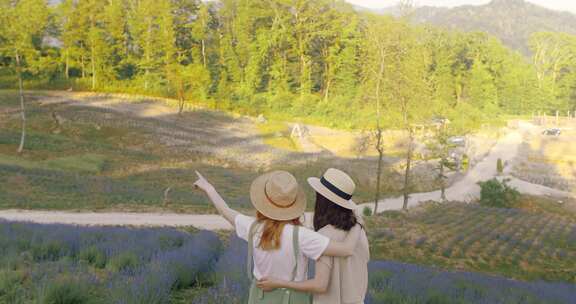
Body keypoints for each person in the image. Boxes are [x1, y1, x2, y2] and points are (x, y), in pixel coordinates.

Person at [193, 170, 363, 303]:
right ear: (294, 205)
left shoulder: (253, 227)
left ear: (264, 202)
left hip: (259, 296)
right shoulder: (303, 236)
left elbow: (226, 212)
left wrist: (209, 188)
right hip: (293, 299)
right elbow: (346, 249)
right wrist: (358, 223)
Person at [257, 168, 369, 304]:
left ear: (322, 200)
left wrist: (280, 283)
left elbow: (320, 285)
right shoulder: (358, 231)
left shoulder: (325, 235)